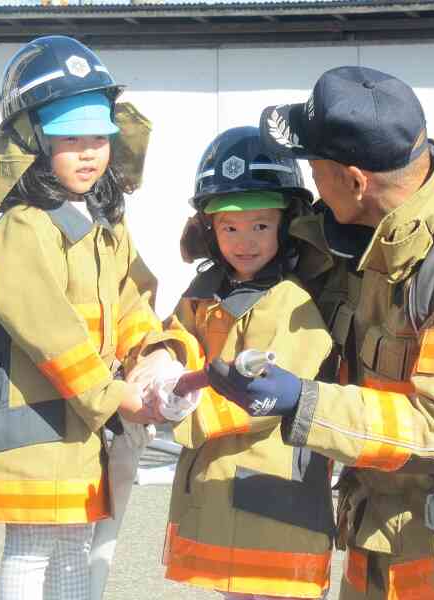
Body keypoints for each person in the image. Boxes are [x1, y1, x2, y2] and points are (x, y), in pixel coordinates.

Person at [206, 66, 434, 599]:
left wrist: (301, 402)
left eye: (315, 167)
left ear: (356, 180)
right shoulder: (372, 233)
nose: (311, 182)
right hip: (391, 538)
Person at [0, 35, 178, 600]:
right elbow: (50, 331)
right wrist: (115, 394)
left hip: (78, 422)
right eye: (69, 137)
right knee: (31, 548)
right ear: (31, 141)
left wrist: (150, 353)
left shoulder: (103, 221)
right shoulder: (24, 229)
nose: (89, 151)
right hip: (35, 426)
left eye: (98, 136)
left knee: (73, 544)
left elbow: (131, 296)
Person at [138, 126, 335, 600]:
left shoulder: (290, 303)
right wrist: (165, 362)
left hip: (274, 499)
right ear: (210, 229)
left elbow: (262, 396)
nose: (244, 242)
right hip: (223, 493)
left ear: (286, 225)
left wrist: (186, 412)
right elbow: (174, 334)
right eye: (229, 227)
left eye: (260, 226)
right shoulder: (204, 293)